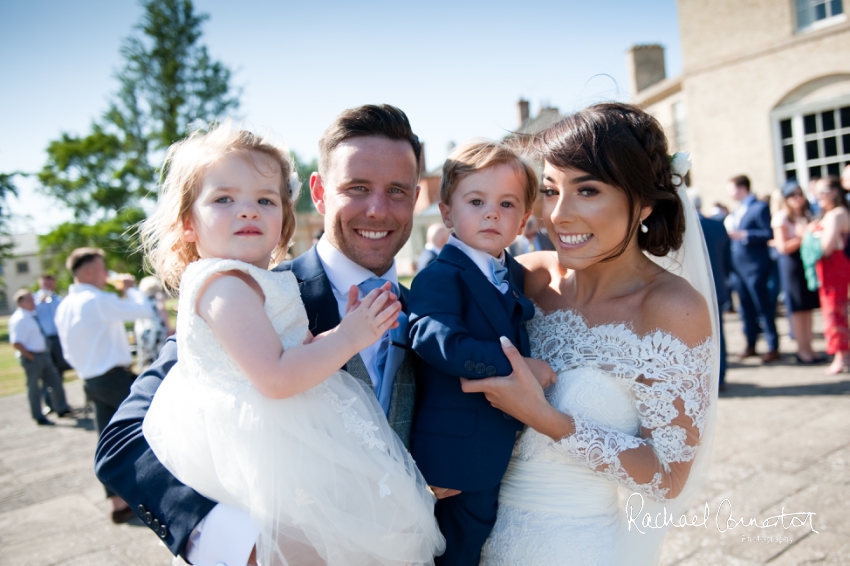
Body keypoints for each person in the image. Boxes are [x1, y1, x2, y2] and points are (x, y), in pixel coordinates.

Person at [94, 105, 446, 565]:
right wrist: (241, 547)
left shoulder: (433, 310)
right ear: (318, 193)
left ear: (415, 198)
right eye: (356, 188)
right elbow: (123, 442)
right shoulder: (238, 293)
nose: (377, 208)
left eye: (396, 191)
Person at [457, 103, 718, 565]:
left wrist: (547, 418)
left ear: (642, 202)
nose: (559, 215)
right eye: (552, 190)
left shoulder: (671, 310)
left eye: (588, 190)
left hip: (574, 547)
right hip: (470, 536)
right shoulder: (528, 277)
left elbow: (668, 475)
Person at [408, 140, 554, 565]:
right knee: (451, 552)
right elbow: (436, 339)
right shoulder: (440, 276)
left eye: (507, 204)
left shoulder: (513, 273)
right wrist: (518, 368)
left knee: (478, 545)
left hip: (496, 452)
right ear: (447, 212)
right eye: (476, 201)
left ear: (524, 218)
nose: (492, 213)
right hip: (453, 459)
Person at [54, 247, 153, 523]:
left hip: (90, 378)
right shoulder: (95, 299)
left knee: (108, 440)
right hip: (113, 376)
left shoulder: (64, 305)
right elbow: (143, 310)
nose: (106, 274)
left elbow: (67, 351)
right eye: (101, 268)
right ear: (87, 272)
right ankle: (152, 494)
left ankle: (117, 501)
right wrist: (130, 288)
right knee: (147, 430)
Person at [725, 174, 780, 363]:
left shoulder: (760, 207)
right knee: (745, 308)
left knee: (763, 307)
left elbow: (768, 233)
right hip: (738, 269)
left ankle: (773, 346)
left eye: (731, 188)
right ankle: (750, 344)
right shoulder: (736, 210)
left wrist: (745, 234)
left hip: (755, 267)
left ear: (742, 188)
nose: (729, 193)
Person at [772, 179, 822, 364]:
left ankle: (810, 347)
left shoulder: (807, 215)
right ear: (786, 198)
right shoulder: (781, 217)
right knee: (798, 308)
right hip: (791, 264)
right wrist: (802, 237)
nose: (797, 198)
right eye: (793, 195)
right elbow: (782, 246)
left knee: (808, 308)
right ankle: (802, 350)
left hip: (806, 262)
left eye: (800, 194)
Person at [9, 289, 71, 425]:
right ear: (21, 302)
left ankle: (62, 408)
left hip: (43, 355)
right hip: (33, 358)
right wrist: (30, 356)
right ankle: (38, 416)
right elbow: (16, 342)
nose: (33, 302)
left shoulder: (31, 315)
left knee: (55, 382)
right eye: (30, 300)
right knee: (34, 388)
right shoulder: (19, 318)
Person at [809, 176, 850, 374]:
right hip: (826, 268)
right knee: (830, 310)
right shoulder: (828, 214)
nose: (818, 197)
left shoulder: (837, 214)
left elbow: (827, 247)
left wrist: (810, 238)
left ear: (834, 192)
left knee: (836, 310)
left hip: (835, 266)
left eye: (822, 191)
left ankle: (841, 356)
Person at [692, 190, 732, 389]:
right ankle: (720, 376)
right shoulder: (717, 225)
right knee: (718, 333)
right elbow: (727, 260)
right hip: (718, 285)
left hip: (690, 289)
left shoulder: (683, 227)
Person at [134, 276, 172, 370]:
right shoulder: (158, 296)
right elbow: (162, 309)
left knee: (147, 357)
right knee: (160, 355)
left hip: (142, 329)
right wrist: (168, 327)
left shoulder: (141, 299)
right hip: (157, 328)